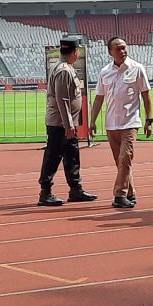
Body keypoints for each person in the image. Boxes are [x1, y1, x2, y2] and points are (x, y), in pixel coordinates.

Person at [89, 37, 153, 209]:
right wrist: (92, 121)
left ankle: (119, 195)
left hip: (130, 123)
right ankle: (130, 192)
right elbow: (99, 99)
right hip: (111, 124)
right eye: (118, 49)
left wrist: (149, 120)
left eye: (124, 48)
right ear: (110, 52)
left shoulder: (137, 69)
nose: (123, 51)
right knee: (121, 162)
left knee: (125, 158)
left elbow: (146, 95)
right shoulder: (104, 72)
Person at [37, 38, 97, 207]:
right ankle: (46, 191)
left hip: (63, 122)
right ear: (75, 52)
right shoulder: (64, 70)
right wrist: (69, 125)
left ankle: (75, 189)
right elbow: (62, 99)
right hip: (60, 124)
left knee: (71, 156)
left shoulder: (64, 68)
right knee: (54, 156)